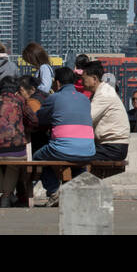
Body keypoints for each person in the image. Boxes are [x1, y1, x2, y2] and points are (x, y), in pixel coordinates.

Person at [33, 67, 97, 205]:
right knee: (77, 159)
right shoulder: (85, 99)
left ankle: (54, 190)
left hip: (61, 149)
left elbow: (38, 119)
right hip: (88, 149)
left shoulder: (54, 98)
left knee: (38, 157)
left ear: (57, 83)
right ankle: (77, 193)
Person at [0, 78, 38, 207]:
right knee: (14, 164)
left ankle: (6, 194)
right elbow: (34, 121)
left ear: (0, 89)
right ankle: (7, 195)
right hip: (16, 149)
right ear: (16, 91)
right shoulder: (20, 101)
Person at [79, 61, 129, 162]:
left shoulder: (104, 93)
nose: (81, 81)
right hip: (109, 145)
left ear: (94, 79)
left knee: (73, 156)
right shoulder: (101, 92)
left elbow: (87, 118)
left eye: (83, 79)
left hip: (112, 147)